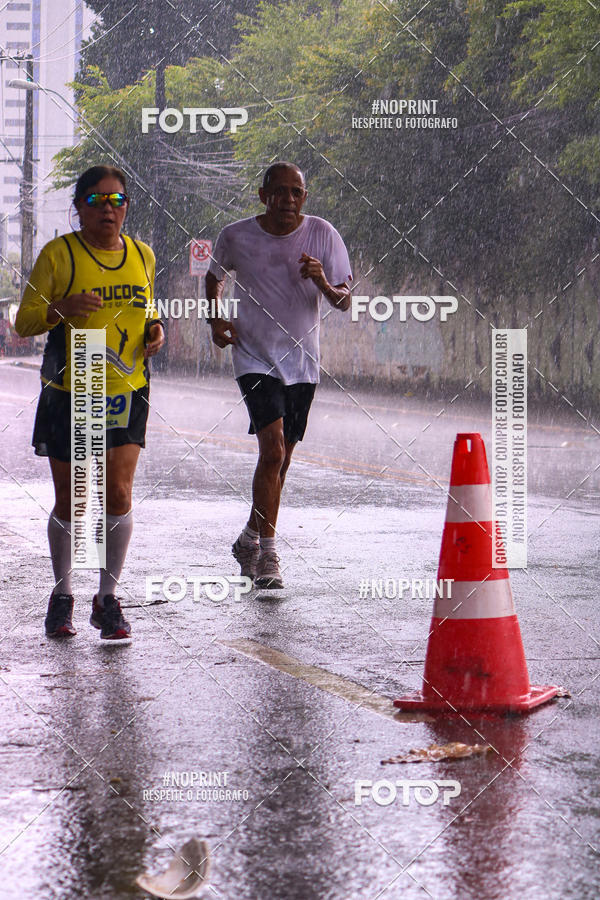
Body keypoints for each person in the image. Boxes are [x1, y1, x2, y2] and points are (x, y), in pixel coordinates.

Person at [15, 165, 164, 639]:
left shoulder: (143, 255)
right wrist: (62, 308)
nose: (108, 209)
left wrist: (158, 331)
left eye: (117, 201)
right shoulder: (59, 256)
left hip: (126, 389)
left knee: (118, 494)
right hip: (70, 391)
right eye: (97, 201)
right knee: (74, 500)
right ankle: (62, 596)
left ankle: (107, 599)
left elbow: (149, 310)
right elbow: (24, 322)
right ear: (78, 207)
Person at [206, 162, 352, 589]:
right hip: (253, 356)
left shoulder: (322, 234)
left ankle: (249, 538)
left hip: (303, 361)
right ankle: (269, 554)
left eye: (296, 192)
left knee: (282, 459)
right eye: (279, 192)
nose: (287, 200)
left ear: (304, 197)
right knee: (273, 451)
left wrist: (322, 281)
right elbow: (215, 275)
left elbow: (344, 300)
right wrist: (215, 320)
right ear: (262, 195)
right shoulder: (236, 235)